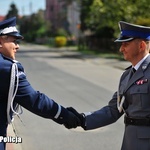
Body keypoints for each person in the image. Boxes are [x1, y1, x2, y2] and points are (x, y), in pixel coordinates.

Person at [64, 21, 150, 150]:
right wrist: (82, 119)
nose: (121, 49)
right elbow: (113, 110)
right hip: (130, 141)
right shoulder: (126, 76)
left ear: (141, 46)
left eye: (126, 44)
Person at [0, 17, 80, 150]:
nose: (17, 46)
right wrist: (64, 115)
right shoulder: (7, 69)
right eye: (14, 41)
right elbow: (35, 100)